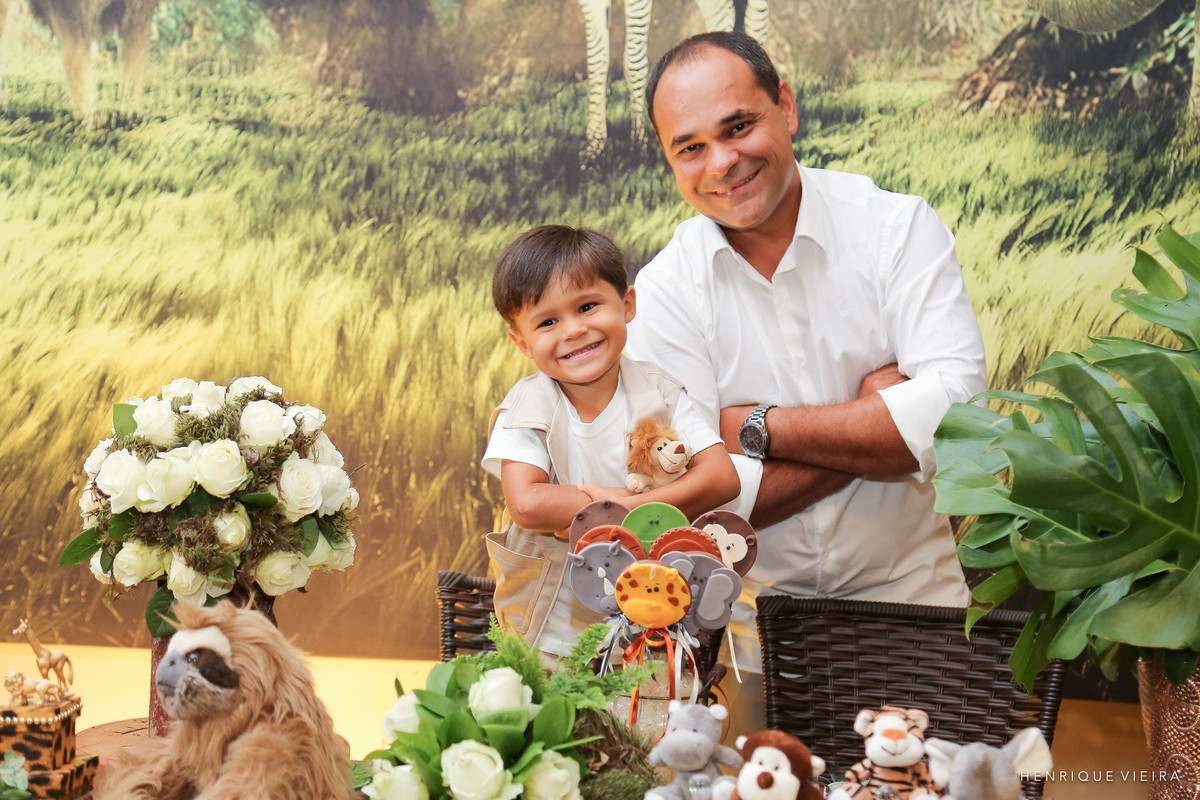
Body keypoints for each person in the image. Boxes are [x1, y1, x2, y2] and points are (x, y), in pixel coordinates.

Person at [625, 32, 988, 736]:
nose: (721, 162)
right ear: (669, 160)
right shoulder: (665, 291)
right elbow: (695, 502)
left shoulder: (895, 228)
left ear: (785, 107)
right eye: (690, 147)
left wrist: (757, 428)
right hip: (746, 632)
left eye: (738, 127)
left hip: (917, 608)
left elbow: (959, 418)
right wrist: (872, 423)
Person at [482, 224, 741, 659]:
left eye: (587, 306)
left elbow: (721, 477)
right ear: (521, 342)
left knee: (644, 698)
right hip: (550, 630)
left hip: (652, 623)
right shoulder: (527, 407)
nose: (573, 330)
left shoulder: (661, 391)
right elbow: (527, 503)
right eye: (547, 322)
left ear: (627, 304)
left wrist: (621, 509)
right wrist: (610, 504)